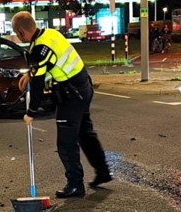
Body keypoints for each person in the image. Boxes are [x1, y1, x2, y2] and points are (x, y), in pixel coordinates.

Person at [12, 11, 111, 199]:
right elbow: (50, 63)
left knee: (66, 142)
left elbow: (39, 85)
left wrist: (31, 112)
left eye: (17, 33)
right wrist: (30, 74)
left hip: (71, 94)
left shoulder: (38, 49)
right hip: (83, 87)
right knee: (84, 133)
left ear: (21, 31)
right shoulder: (51, 34)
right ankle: (103, 172)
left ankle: (75, 185)